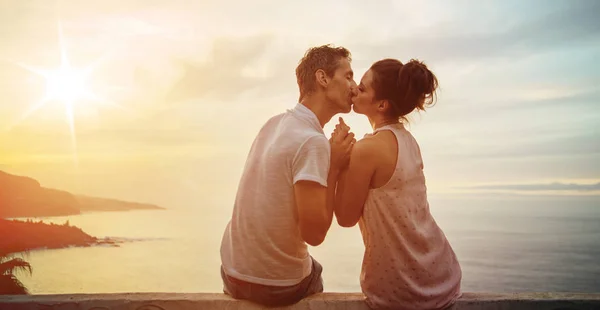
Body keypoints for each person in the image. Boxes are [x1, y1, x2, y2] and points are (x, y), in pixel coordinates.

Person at [219, 44, 357, 307]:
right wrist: (335, 165)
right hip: (273, 286)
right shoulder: (312, 142)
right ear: (323, 78)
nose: (355, 86)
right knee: (315, 272)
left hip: (232, 273)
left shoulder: (273, 124)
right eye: (348, 76)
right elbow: (314, 235)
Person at [332, 58, 462, 310]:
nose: (354, 89)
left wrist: (338, 163)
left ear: (381, 104)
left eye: (362, 87)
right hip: (441, 277)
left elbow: (345, 217)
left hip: (400, 291)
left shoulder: (367, 149)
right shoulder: (409, 141)